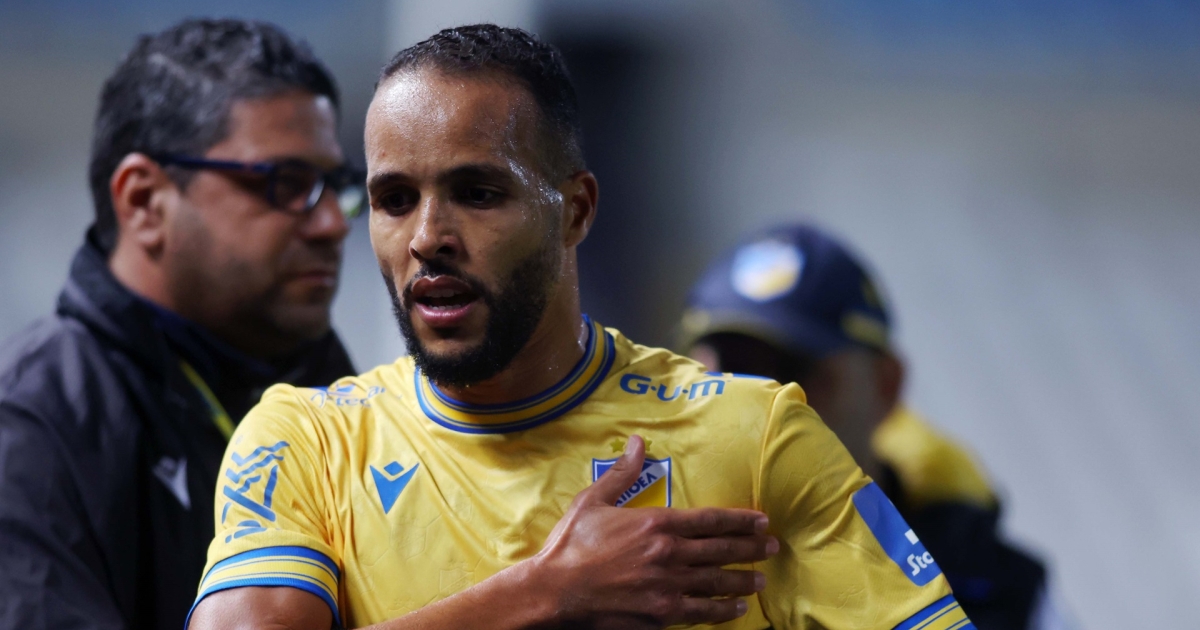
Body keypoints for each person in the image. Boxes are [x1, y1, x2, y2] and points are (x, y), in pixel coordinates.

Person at [187, 25, 975, 630]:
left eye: (478, 193)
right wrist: (546, 592)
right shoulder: (306, 444)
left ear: (575, 210)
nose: (427, 236)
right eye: (394, 200)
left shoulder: (755, 438)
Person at [0, 19, 362, 630]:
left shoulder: (338, 396)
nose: (333, 223)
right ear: (144, 201)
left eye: (336, 186)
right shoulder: (33, 427)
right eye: (287, 183)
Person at [679, 223, 1056, 629]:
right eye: (726, 375)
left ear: (885, 384)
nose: (760, 405)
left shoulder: (1003, 591)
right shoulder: (651, 576)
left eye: (788, 372)